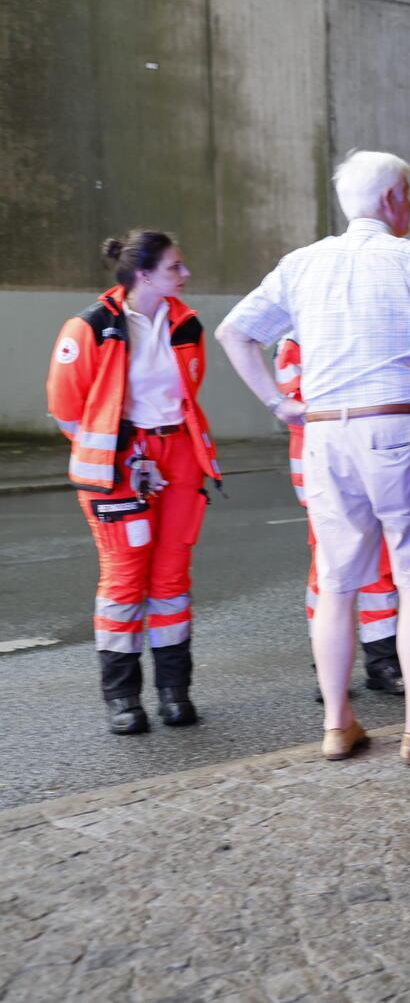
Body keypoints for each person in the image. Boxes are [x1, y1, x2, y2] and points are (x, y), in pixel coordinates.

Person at [217, 150, 410, 766]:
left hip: (325, 435)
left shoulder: (302, 265)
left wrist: (278, 403)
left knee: (338, 584)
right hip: (398, 428)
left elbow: (235, 331)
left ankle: (339, 724)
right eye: (409, 194)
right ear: (391, 200)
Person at [48, 231, 222, 735]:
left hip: (178, 460)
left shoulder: (187, 324)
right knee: (125, 582)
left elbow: (188, 394)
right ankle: (123, 698)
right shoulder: (90, 327)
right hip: (121, 463)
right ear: (143, 275)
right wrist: (114, 453)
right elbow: (66, 410)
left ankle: (174, 693)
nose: (185, 275)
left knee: (171, 580)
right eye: (175, 267)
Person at [278, 336, 404, 696]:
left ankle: (382, 661)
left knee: (378, 566)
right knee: (331, 570)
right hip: (324, 463)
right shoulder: (298, 337)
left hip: (359, 454)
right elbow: (301, 404)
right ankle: (329, 670)